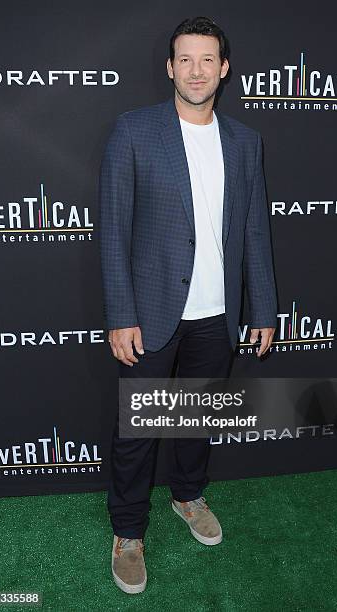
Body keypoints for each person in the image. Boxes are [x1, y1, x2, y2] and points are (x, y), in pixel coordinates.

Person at [98, 16, 278, 594]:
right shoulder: (134, 131)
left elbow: (255, 233)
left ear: (223, 68)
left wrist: (264, 311)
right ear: (170, 66)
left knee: (196, 421)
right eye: (185, 60)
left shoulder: (246, 141)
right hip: (151, 312)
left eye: (208, 60)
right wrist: (121, 313)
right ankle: (128, 532)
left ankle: (188, 496)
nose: (196, 71)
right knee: (139, 432)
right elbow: (114, 228)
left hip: (218, 315)